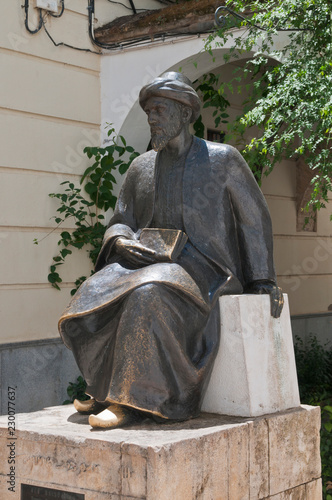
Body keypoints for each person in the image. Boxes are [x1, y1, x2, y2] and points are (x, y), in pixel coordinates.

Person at [58, 72, 283, 429]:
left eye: (159, 110)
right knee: (94, 289)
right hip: (146, 261)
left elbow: (253, 219)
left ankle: (130, 401)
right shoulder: (140, 167)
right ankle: (103, 388)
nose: (152, 118)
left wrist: (262, 279)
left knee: (148, 296)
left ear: (184, 113)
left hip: (204, 269)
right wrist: (121, 242)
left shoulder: (223, 160)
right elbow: (121, 219)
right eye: (148, 112)